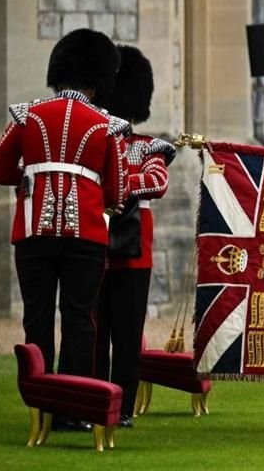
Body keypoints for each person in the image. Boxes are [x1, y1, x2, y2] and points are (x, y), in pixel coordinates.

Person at [0, 29, 128, 431]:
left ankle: (40, 406)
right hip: (85, 236)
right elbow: (117, 190)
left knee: (37, 319)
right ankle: (71, 410)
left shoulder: (27, 115)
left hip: (33, 235)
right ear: (98, 81)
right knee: (81, 321)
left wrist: (28, 178)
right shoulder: (106, 125)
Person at [94, 46, 176, 428]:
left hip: (134, 250)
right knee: (95, 330)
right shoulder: (94, 142)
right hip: (93, 244)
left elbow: (158, 184)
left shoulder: (147, 145)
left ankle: (123, 407)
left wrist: (110, 185)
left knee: (127, 334)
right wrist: (123, 185)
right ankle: (94, 400)